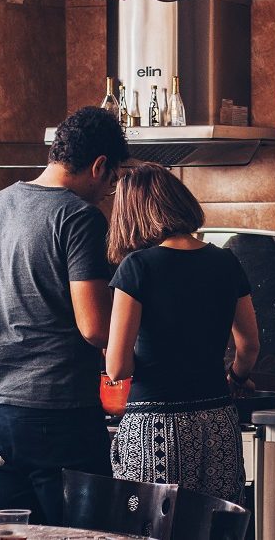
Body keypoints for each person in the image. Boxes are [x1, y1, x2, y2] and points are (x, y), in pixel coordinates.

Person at [0, 106, 129, 523]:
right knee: (87, 534)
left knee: (16, 532)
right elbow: (95, 328)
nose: (108, 191)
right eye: (112, 180)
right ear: (99, 166)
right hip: (55, 412)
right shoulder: (79, 217)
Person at [104, 163, 260, 502]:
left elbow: (117, 368)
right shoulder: (226, 262)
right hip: (218, 420)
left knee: (152, 524)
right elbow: (249, 345)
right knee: (216, 522)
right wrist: (236, 377)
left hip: (155, 426)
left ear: (132, 214)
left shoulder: (137, 267)